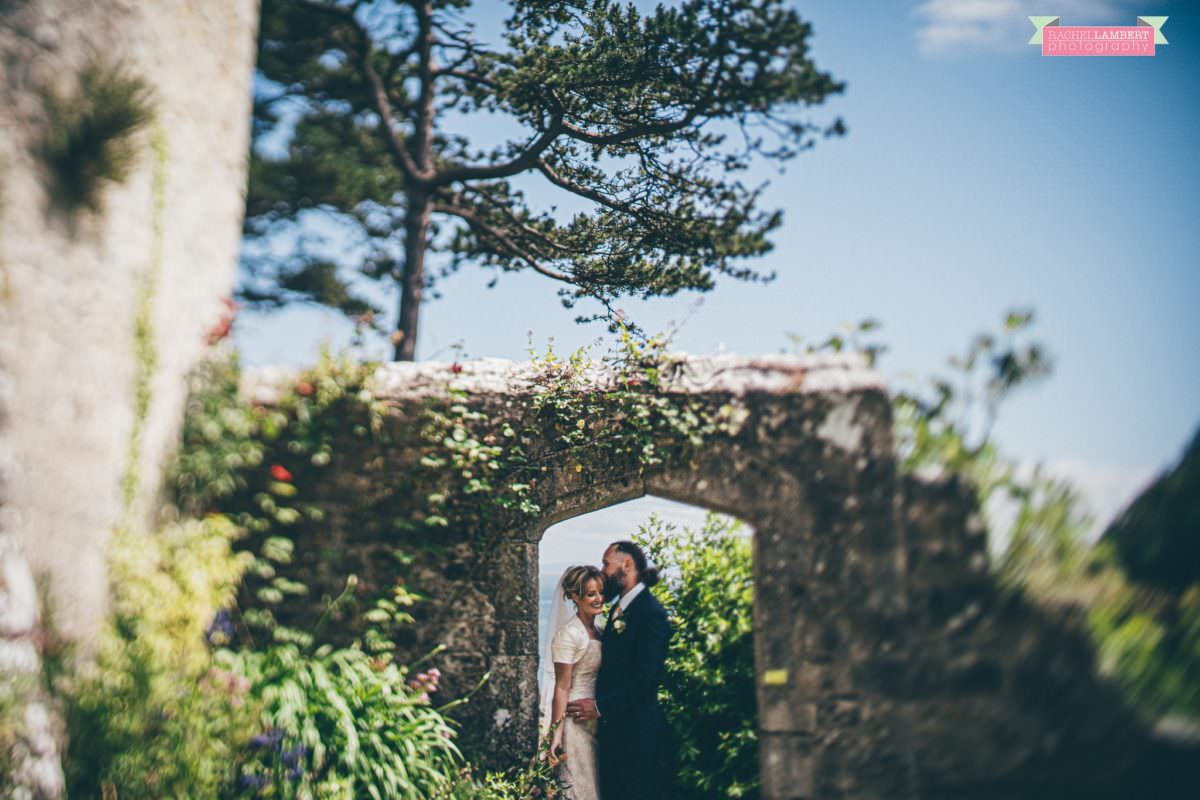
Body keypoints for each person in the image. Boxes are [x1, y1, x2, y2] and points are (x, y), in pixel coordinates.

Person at [566, 541, 672, 800]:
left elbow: (646, 680)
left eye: (606, 564)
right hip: (613, 733)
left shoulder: (651, 613)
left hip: (636, 737)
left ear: (627, 564)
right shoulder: (618, 609)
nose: (602, 572)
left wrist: (600, 706)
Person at [539, 565, 606, 799]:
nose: (599, 599)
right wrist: (556, 735)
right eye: (591, 594)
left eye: (600, 592)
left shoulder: (600, 630)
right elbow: (562, 686)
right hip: (576, 723)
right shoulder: (568, 635)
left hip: (597, 721)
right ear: (575, 597)